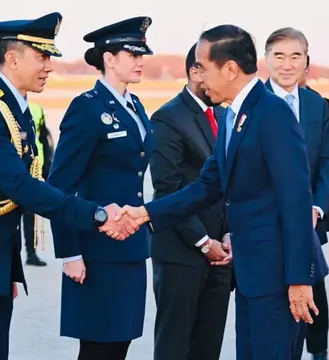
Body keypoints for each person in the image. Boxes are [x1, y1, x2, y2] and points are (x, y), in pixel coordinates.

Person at [0, 12, 137, 360]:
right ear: (13, 58)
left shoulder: (16, 109)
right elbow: (20, 185)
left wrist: (8, 269)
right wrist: (96, 214)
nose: (49, 66)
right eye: (42, 57)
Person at [118, 24, 329, 360]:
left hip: (277, 276)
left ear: (230, 69)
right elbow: (206, 185)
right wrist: (145, 213)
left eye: (203, 67)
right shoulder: (234, 115)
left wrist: (300, 280)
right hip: (250, 273)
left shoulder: (272, 113)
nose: (198, 76)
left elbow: (297, 200)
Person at [47, 16, 154, 360]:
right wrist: (70, 253)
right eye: (132, 54)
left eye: (142, 55)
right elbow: (60, 186)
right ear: (109, 58)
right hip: (96, 248)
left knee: (120, 343)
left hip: (131, 248)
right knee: (97, 348)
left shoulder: (135, 106)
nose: (140, 61)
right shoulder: (87, 108)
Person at [149, 43, 231, 360]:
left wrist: (227, 235)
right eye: (220, 69)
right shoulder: (168, 118)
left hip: (221, 253)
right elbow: (168, 189)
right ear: (196, 72)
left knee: (208, 347)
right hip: (182, 253)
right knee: (175, 347)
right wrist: (202, 241)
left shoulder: (226, 115)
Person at [260, 27, 329, 360]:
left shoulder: (317, 106)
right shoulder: (249, 104)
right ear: (266, 60)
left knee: (307, 308)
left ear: (307, 61)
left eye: (295, 56)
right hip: (264, 227)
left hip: (308, 226)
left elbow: (328, 162)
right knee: (271, 317)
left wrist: (316, 208)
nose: (287, 64)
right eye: (279, 56)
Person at [295, 49, 329, 360]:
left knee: (313, 280)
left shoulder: (324, 108)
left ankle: (318, 349)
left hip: (313, 210)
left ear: (307, 69)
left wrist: (311, 181)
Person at [21, 100, 53, 266]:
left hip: (33, 169)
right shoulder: (1, 106)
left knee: (30, 215)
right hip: (12, 171)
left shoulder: (36, 109)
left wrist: (46, 166)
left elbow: (44, 140)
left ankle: (31, 253)